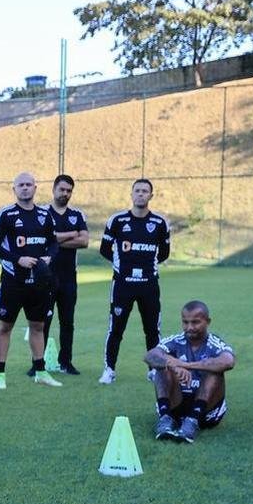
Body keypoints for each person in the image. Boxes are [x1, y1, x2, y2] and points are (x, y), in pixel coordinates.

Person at [0, 172, 62, 389]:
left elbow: (54, 243)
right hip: (13, 281)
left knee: (38, 326)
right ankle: (0, 375)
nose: (25, 188)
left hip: (38, 282)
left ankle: (40, 372)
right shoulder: (6, 214)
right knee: (5, 327)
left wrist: (49, 257)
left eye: (28, 184)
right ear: (14, 189)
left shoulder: (45, 215)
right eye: (20, 185)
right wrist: (17, 259)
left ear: (35, 188)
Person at [98, 178, 170, 385]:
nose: (140, 194)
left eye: (145, 191)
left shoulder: (160, 223)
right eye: (137, 190)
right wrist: (121, 265)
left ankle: (154, 370)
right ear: (131, 194)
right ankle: (109, 370)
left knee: (152, 330)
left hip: (149, 285)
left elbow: (164, 253)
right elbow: (104, 249)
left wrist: (147, 266)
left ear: (151, 196)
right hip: (123, 285)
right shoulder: (117, 220)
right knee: (116, 329)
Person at [145, 300, 235, 443]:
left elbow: (228, 362)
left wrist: (186, 365)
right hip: (177, 405)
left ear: (208, 322)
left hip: (206, 412)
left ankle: (192, 420)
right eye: (185, 322)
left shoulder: (214, 343)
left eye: (195, 322)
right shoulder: (175, 341)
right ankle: (165, 419)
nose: (189, 327)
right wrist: (174, 366)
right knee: (162, 366)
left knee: (215, 369)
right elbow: (150, 355)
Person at [44, 174, 89, 374]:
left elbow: (84, 241)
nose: (65, 193)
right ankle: (38, 363)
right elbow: (44, 239)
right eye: (62, 189)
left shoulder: (77, 215)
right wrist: (72, 234)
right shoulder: (43, 213)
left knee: (67, 321)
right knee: (43, 321)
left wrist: (55, 239)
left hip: (69, 277)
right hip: (46, 276)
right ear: (54, 189)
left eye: (69, 190)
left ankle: (66, 362)